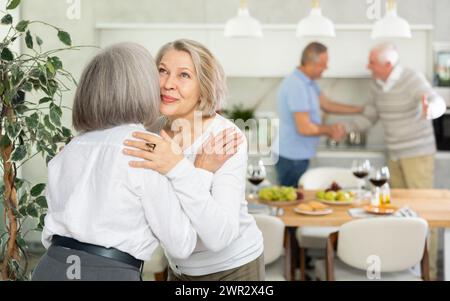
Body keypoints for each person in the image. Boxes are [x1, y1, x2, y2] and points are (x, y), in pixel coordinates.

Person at [31, 43, 239, 281]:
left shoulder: (69, 149)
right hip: (109, 273)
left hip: (50, 267)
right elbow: (182, 244)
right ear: (143, 88)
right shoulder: (145, 147)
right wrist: (200, 172)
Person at [122, 39, 265, 281]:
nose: (168, 84)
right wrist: (201, 171)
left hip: (233, 269)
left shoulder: (224, 138)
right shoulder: (150, 132)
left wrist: (181, 169)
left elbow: (220, 235)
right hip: (179, 269)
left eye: (184, 75)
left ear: (204, 86)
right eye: (163, 71)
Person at [347, 42, 446, 279]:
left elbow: (436, 101)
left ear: (388, 64)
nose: (367, 66)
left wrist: (431, 109)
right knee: (397, 212)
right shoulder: (377, 84)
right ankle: (405, 268)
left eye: (372, 62)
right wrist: (344, 129)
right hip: (394, 155)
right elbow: (371, 115)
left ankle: (428, 272)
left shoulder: (411, 78)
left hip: (417, 155)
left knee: (422, 213)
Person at [272, 42, 364, 187]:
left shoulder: (309, 83)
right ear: (310, 63)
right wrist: (330, 130)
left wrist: (360, 110)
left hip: (298, 156)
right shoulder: (297, 85)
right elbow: (305, 128)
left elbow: (327, 105)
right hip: (291, 158)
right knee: (291, 203)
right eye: (323, 63)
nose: (326, 67)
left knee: (298, 200)